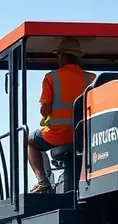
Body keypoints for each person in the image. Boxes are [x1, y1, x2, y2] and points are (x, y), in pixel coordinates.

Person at [28, 38, 95, 193]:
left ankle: (43, 181)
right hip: (84, 135)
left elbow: (45, 109)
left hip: (58, 134)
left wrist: (46, 115)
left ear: (62, 56)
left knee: (31, 141)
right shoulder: (91, 78)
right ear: (77, 56)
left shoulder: (51, 77)